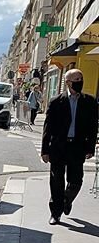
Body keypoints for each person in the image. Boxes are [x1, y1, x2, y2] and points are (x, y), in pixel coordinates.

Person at [41, 68, 98, 225]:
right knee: (56, 181)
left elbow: (93, 127)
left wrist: (90, 147)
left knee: (76, 180)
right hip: (59, 146)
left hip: (77, 147)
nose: (80, 82)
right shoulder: (56, 101)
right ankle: (55, 213)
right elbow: (48, 127)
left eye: (81, 79)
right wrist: (45, 150)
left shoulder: (90, 101)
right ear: (67, 82)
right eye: (76, 79)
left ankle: (66, 200)